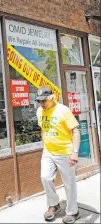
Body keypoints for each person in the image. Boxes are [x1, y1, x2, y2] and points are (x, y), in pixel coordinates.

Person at [36, 87, 81, 224]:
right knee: (45, 177)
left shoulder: (63, 110)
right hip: (48, 151)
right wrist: (46, 146)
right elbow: (44, 130)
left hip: (65, 152)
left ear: (52, 97)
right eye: (39, 101)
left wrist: (75, 152)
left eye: (44, 100)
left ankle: (73, 211)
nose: (42, 103)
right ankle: (54, 205)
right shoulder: (39, 111)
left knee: (69, 183)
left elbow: (75, 132)